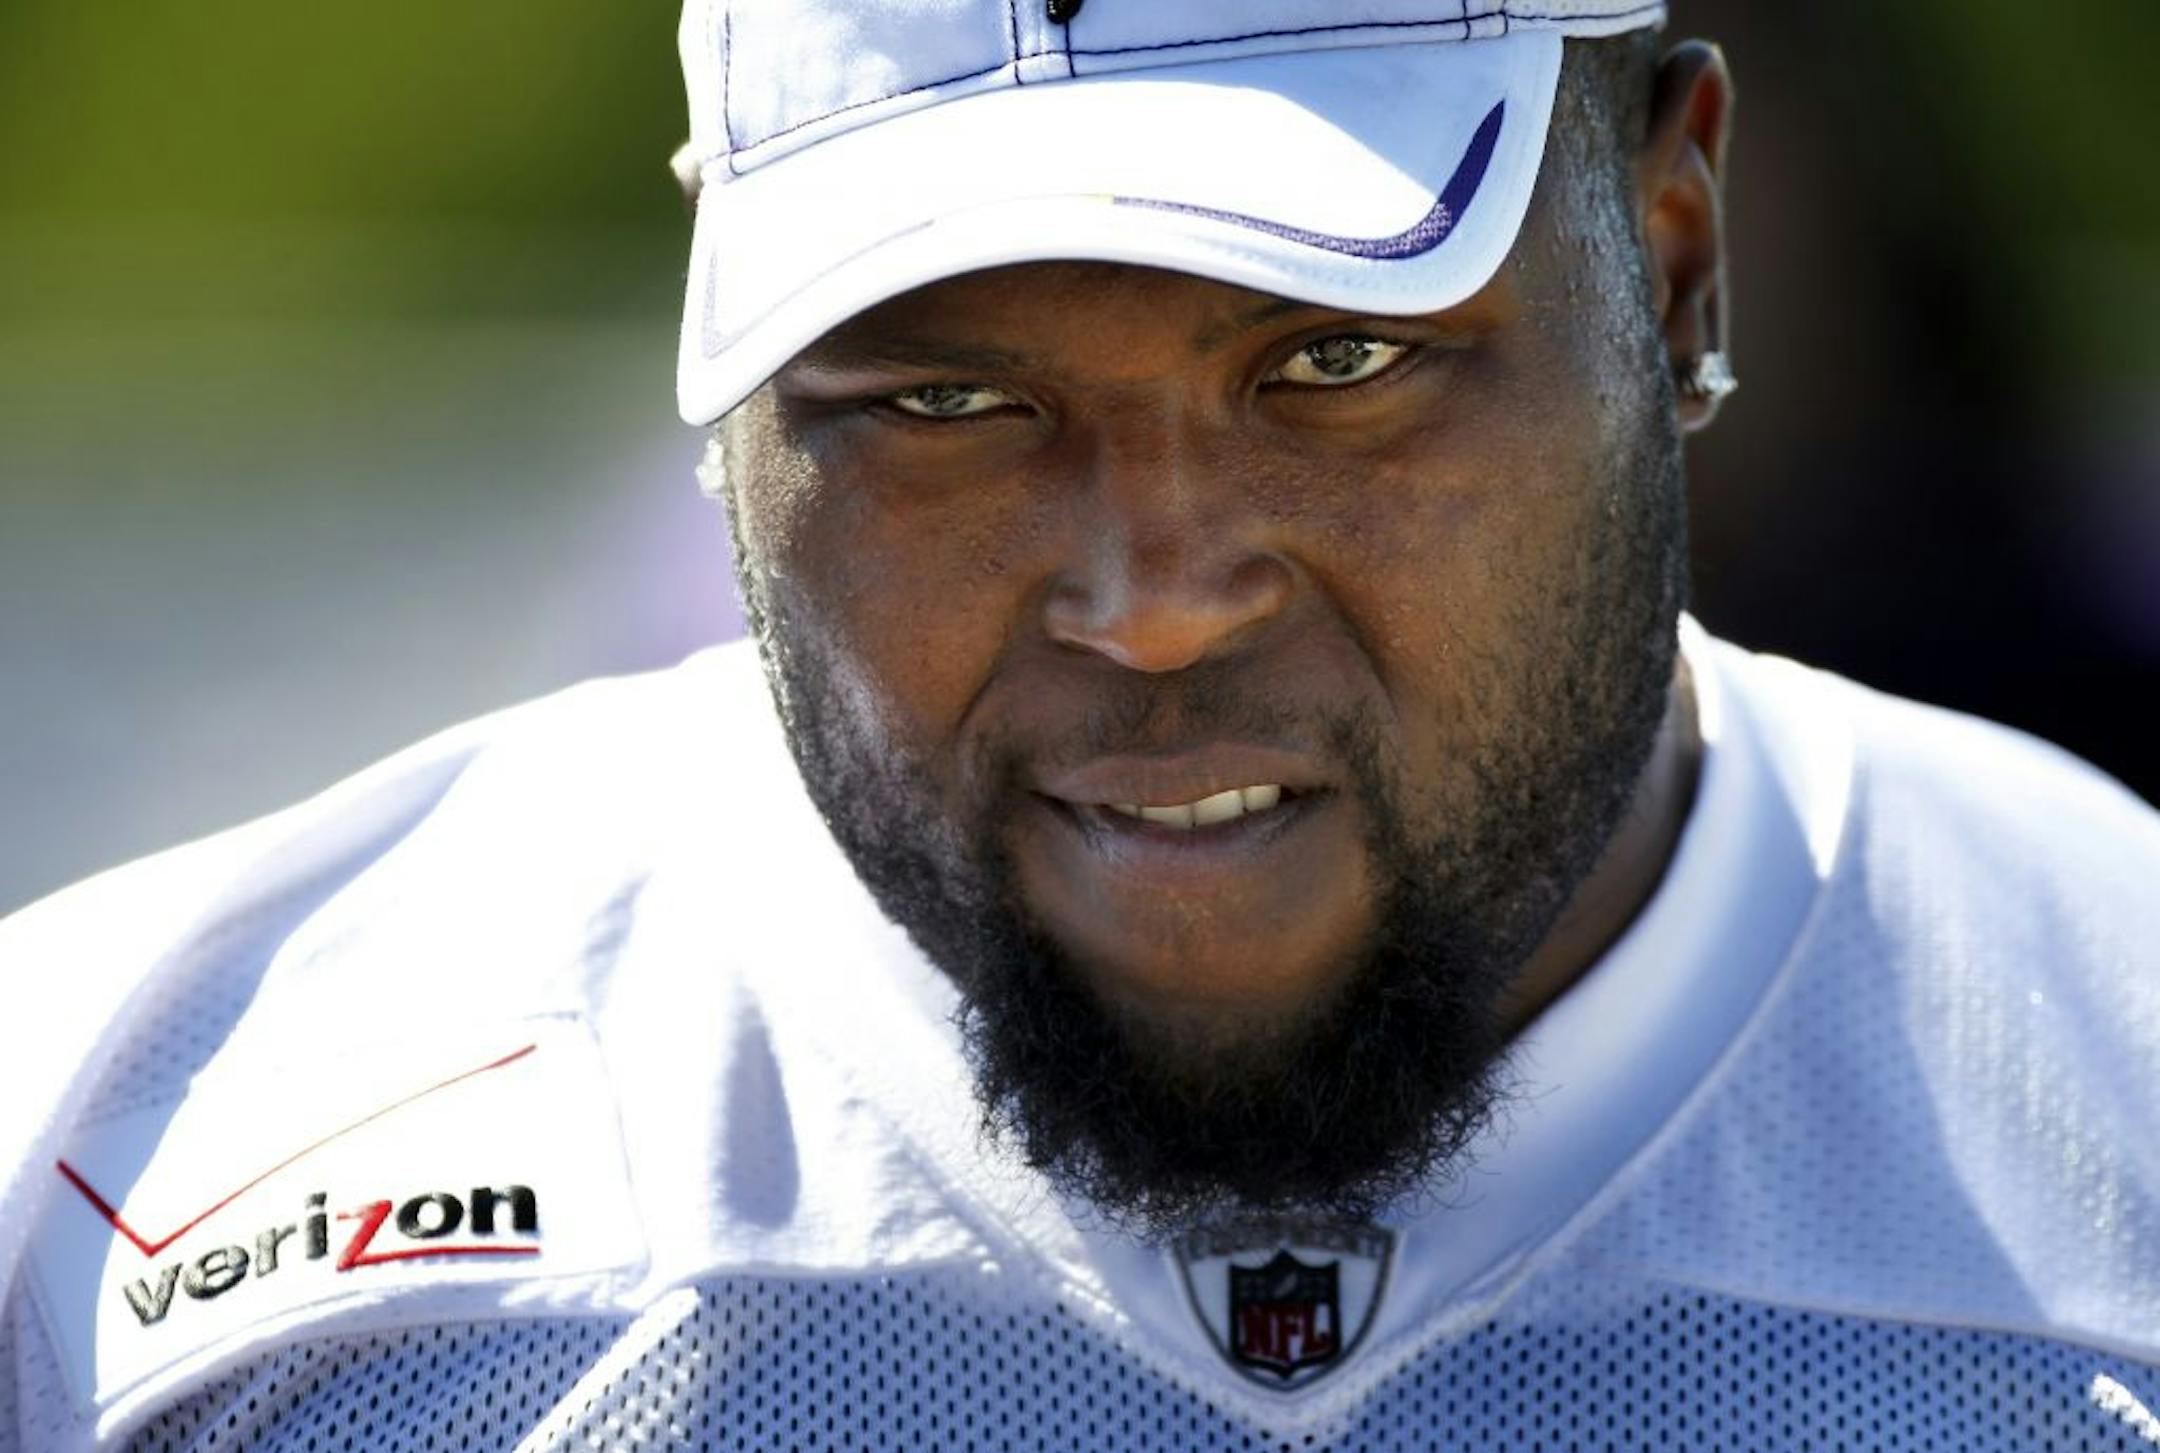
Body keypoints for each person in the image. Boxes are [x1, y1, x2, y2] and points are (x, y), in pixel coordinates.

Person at [4, 1, 2158, 1448]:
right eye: (945, 402)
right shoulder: (98, 1171)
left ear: (1675, 260)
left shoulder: (2116, 1081)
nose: (1149, 601)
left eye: (1337, 364)